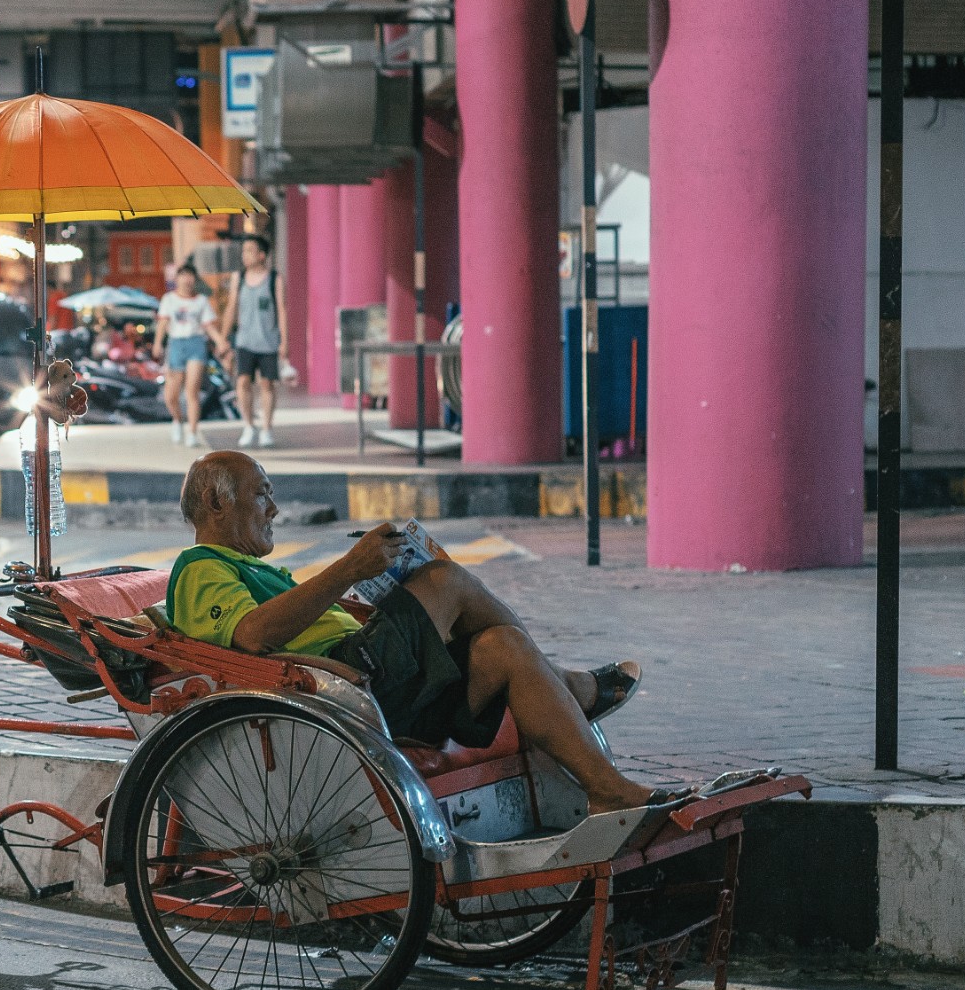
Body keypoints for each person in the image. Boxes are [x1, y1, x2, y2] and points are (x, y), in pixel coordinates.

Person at [166, 451, 657, 816]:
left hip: (367, 683)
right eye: (261, 493)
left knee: (501, 647)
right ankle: (571, 685)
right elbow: (251, 636)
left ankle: (605, 789)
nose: (273, 508)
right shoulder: (199, 566)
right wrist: (347, 571)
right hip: (343, 690)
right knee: (446, 581)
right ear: (215, 501)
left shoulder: (252, 567)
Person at [222, 236, 289, 448]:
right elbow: (231, 307)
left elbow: (282, 310)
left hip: (268, 341)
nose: (245, 255)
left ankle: (267, 428)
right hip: (244, 341)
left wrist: (284, 341)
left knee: (267, 384)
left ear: (262, 255)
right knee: (243, 382)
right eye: (244, 251)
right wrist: (223, 338)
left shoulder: (274, 279)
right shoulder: (238, 278)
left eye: (250, 250)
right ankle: (249, 425)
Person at [153, 264, 222, 448]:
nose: (187, 280)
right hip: (176, 344)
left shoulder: (201, 301)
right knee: (171, 395)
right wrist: (158, 343)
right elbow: (163, 323)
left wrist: (220, 341)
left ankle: (192, 431)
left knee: (192, 391)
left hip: (196, 344)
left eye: (190, 276)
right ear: (177, 279)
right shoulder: (169, 299)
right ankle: (177, 420)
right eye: (183, 276)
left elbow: (208, 326)